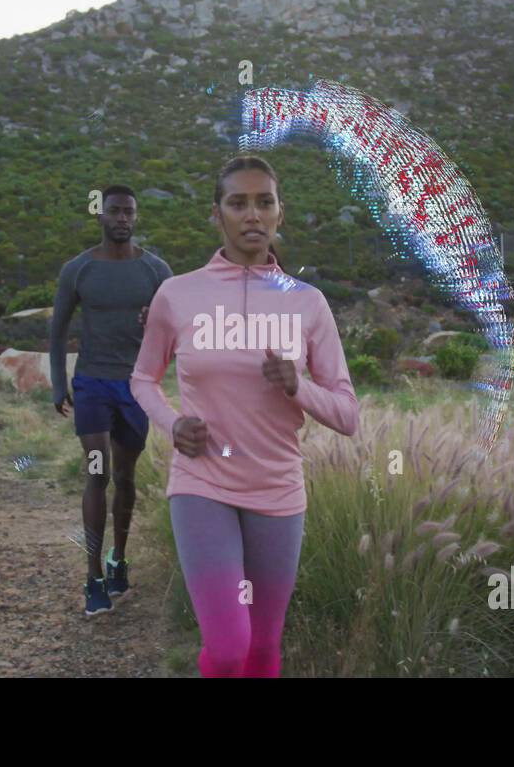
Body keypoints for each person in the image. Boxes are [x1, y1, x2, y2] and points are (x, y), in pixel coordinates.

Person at [130, 155, 359, 676]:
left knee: (262, 649)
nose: (252, 214)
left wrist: (298, 387)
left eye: (264, 202)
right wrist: (171, 425)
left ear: (281, 213)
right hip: (202, 483)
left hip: (278, 489)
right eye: (238, 203)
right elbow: (142, 379)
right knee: (230, 647)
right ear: (218, 215)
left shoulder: (308, 303)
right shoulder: (178, 294)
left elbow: (347, 414)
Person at [49, 184, 172, 616]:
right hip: (92, 384)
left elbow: (178, 329)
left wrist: (155, 322)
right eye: (115, 211)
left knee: (126, 476)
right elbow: (58, 328)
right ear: (101, 215)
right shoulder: (77, 270)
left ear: (136, 218)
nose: (122, 218)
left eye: (129, 212)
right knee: (97, 471)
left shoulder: (157, 271)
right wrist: (57, 382)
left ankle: (118, 557)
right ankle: (93, 577)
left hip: (137, 385)